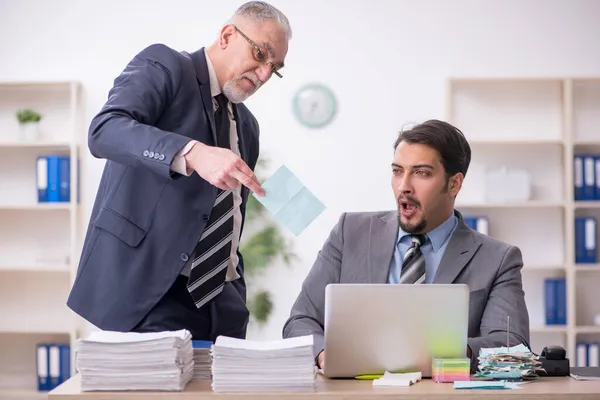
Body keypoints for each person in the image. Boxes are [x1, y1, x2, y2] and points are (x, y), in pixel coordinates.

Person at [67, 1, 291, 341]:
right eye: (261, 54)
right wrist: (193, 153)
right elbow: (105, 130)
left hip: (224, 303)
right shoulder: (166, 65)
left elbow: (231, 214)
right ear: (228, 35)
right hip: (153, 293)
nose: (263, 74)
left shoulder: (247, 126)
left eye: (273, 68)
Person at [282, 119, 530, 372]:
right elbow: (301, 321)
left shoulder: (498, 258)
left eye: (421, 173)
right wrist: (327, 356)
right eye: (397, 171)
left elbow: (512, 346)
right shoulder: (349, 232)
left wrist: (442, 354)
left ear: (454, 183)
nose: (404, 186)